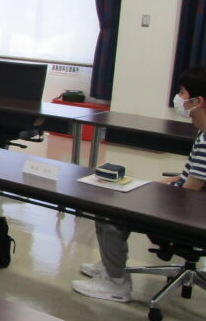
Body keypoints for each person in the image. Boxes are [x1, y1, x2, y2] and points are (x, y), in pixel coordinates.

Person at [73, 65, 206, 303]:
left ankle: (116, 283)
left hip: (187, 214)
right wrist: (153, 185)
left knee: (109, 211)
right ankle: (110, 264)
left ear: (198, 101)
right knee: (119, 193)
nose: (178, 98)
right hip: (188, 205)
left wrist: (152, 194)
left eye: (182, 92)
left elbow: (189, 194)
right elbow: (190, 178)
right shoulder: (202, 132)